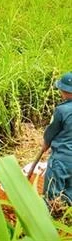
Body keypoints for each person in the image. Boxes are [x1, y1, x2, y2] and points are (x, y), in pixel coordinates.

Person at [42, 72, 72, 209]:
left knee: (52, 194)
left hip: (61, 159)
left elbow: (51, 131)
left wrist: (46, 142)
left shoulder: (61, 110)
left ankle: (50, 221)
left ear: (65, 91)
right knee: (69, 194)